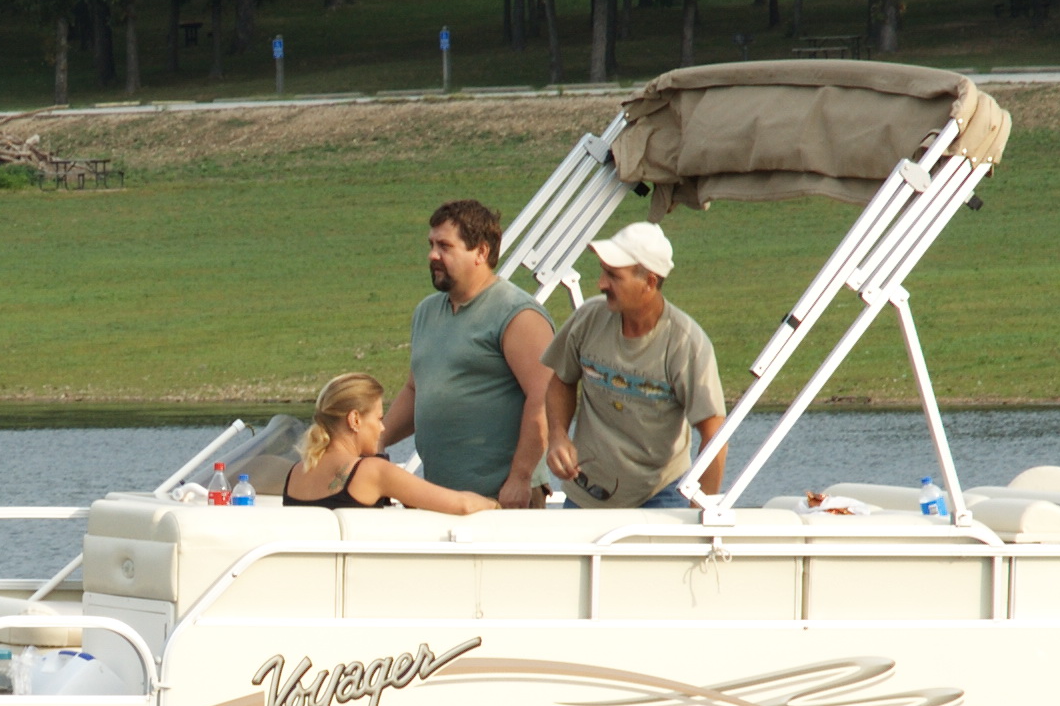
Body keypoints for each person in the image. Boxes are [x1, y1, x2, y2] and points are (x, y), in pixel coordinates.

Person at [540, 221, 727, 512]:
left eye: (613, 276)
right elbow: (561, 380)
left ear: (650, 282)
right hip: (585, 492)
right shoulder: (588, 317)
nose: (601, 283)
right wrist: (557, 436)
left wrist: (698, 513)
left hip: (660, 495)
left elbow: (715, 435)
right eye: (603, 272)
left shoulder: (686, 343)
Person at [384, 197, 551, 508]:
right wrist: (374, 439)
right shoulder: (427, 311)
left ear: (481, 252)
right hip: (442, 496)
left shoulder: (517, 314)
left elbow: (544, 398)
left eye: (445, 246)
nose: (432, 255)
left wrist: (520, 478)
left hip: (500, 498)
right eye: (431, 244)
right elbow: (415, 389)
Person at [281, 372, 501, 514]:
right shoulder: (371, 471)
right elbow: (461, 505)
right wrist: (493, 504)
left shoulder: (296, 472)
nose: (383, 428)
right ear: (355, 419)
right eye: (378, 419)